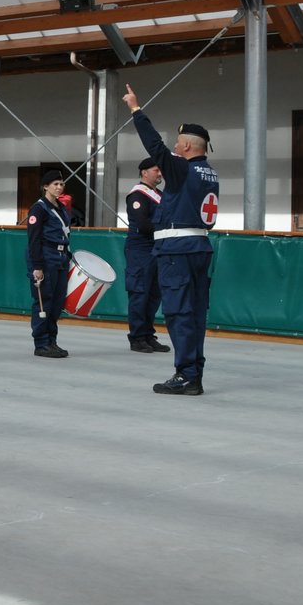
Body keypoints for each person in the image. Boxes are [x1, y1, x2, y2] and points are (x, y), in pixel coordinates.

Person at [122, 84, 220, 396]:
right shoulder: (209, 173)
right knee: (195, 313)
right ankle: (195, 373)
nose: (174, 149)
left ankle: (185, 374)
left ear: (189, 148)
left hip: (176, 251)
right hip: (199, 247)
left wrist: (136, 110)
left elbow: (155, 147)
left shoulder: (181, 169)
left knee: (178, 313)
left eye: (178, 145)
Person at [124, 157, 171, 354]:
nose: (160, 174)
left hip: (157, 248)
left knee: (154, 294)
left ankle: (148, 334)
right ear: (144, 172)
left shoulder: (159, 194)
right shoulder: (137, 196)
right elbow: (143, 224)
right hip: (141, 249)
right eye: (156, 170)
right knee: (140, 293)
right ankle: (137, 337)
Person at [26, 170, 73, 357]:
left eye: (61, 184)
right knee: (43, 301)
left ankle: (52, 340)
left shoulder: (61, 208)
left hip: (61, 257)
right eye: (55, 184)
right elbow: (34, 239)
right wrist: (37, 266)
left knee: (57, 302)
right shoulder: (38, 209)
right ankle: (41, 343)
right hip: (45, 257)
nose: (59, 187)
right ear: (45, 186)